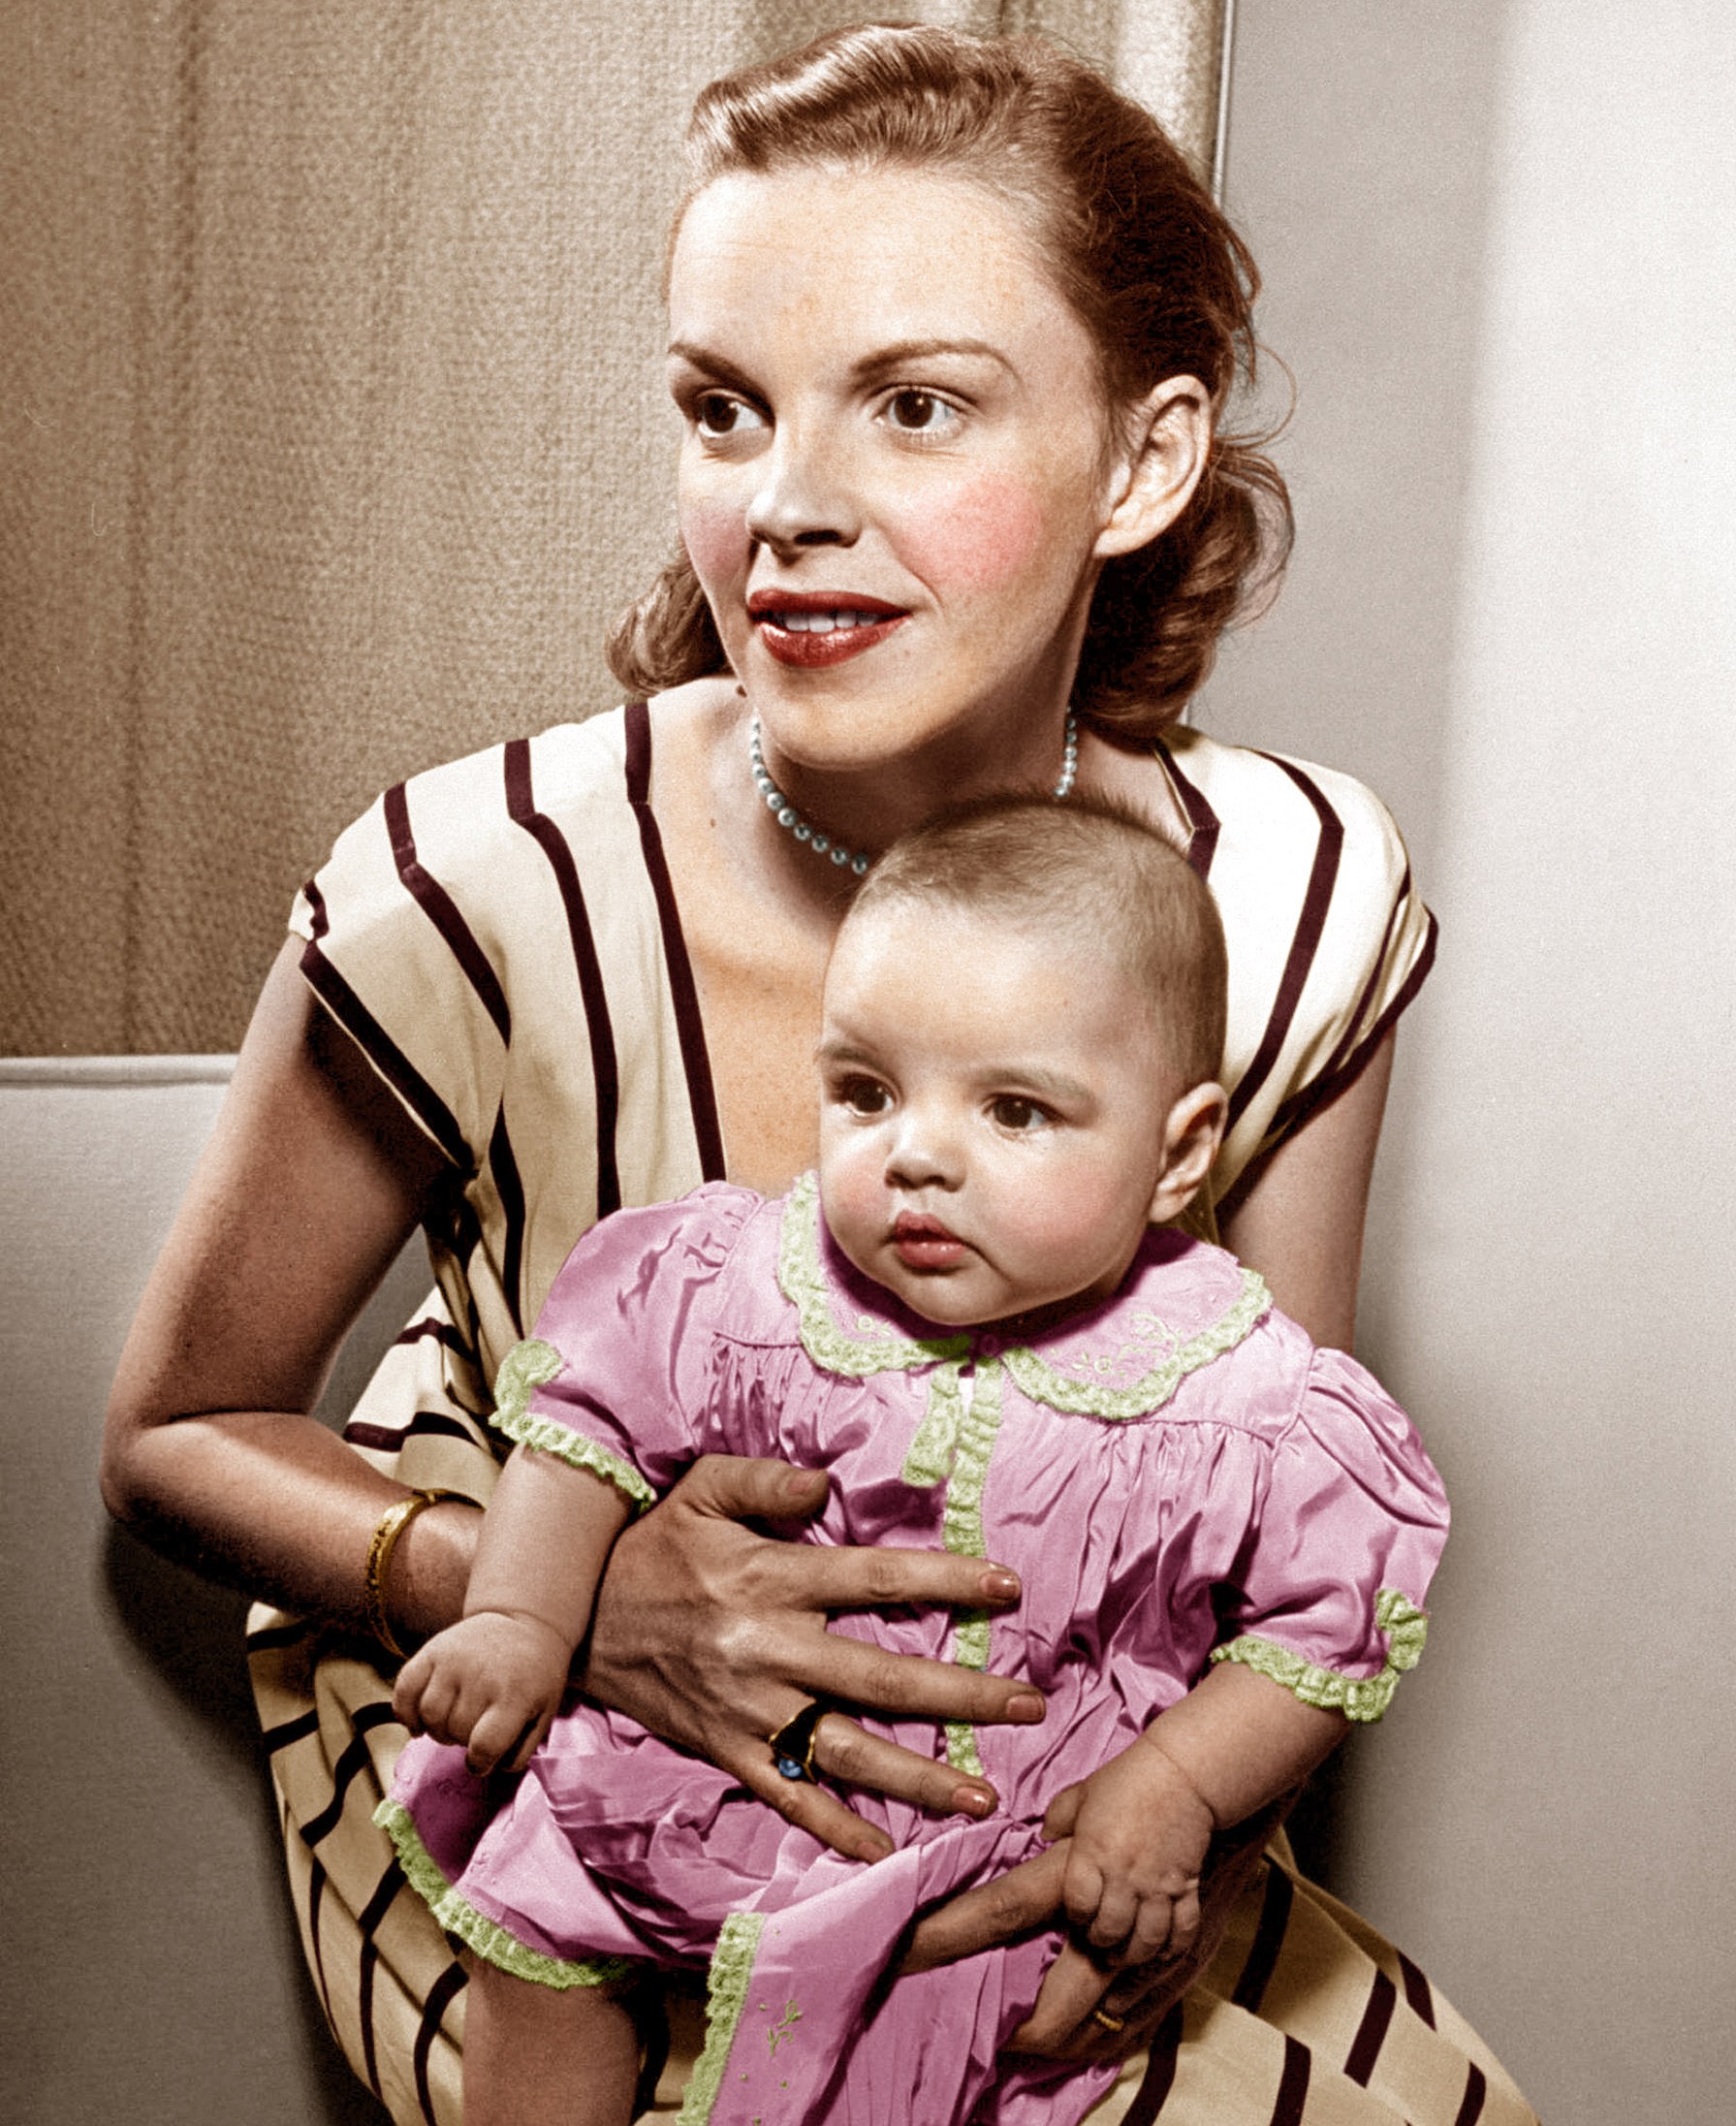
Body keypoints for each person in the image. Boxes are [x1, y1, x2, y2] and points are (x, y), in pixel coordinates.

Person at [102, 22, 1534, 2126]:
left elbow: (1259, 1491)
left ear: (1144, 460)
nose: (783, 503)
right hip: (528, 1757)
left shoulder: (1301, 886)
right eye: (721, 407)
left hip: (1034, 1754)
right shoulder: (470, 876)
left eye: (918, 404)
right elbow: (179, 1426)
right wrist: (568, 1587)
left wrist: (1144, 1856)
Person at [379, 795, 1450, 2126]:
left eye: (1014, 1109)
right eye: (866, 1092)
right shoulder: (743, 1284)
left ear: (1176, 1154)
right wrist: (519, 1619)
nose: (918, 1155)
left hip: (997, 1850)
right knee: (543, 1929)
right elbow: (582, 1423)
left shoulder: (1241, 1392)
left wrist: (1174, 1789)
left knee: (984, 2049)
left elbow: (1320, 1629)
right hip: (697, 1779)